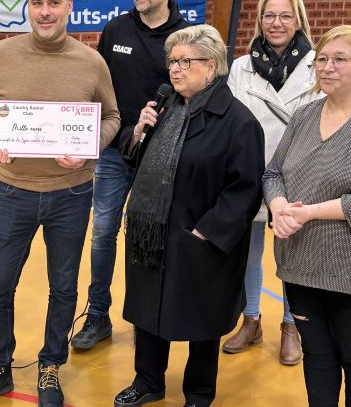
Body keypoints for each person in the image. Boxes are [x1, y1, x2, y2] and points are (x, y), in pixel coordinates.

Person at [0, 0, 120, 407]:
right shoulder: (1, 54)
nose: (44, 11)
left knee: (63, 287)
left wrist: (89, 149)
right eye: (36, 3)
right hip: (14, 192)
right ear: (26, 7)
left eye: (53, 3)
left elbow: (112, 117)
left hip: (72, 193)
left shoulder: (91, 62)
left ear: (69, 8)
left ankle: (50, 366)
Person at [113, 24, 264, 407]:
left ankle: (199, 391)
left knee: (203, 318)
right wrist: (139, 131)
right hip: (152, 231)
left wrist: (207, 233)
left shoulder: (237, 121)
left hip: (199, 238)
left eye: (185, 61)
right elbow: (136, 160)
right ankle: (148, 380)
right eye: (172, 61)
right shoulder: (163, 109)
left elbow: (244, 189)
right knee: (148, 310)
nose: (175, 70)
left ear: (211, 66)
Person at [263, 25, 351, 407]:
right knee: (317, 359)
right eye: (322, 59)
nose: (327, 67)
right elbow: (273, 174)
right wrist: (278, 207)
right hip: (301, 262)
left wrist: (307, 213)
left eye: (340, 59)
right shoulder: (304, 115)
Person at [72, 0, 190, 351]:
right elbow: (96, 90)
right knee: (104, 233)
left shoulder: (185, 39)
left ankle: (146, 314)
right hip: (114, 153)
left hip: (162, 159)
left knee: (150, 238)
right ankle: (98, 315)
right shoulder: (116, 29)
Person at [224, 0, 322, 365]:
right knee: (248, 256)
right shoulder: (240, 66)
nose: (276, 23)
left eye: (284, 15)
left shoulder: (318, 64)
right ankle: (251, 320)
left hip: (298, 173)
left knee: (291, 257)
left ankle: (290, 326)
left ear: (297, 19)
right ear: (259, 21)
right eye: (269, 16)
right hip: (249, 172)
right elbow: (232, 122)